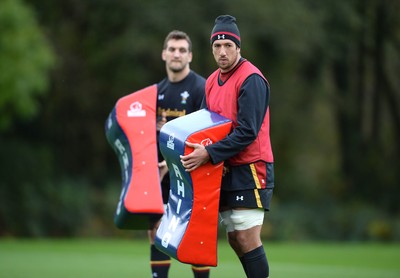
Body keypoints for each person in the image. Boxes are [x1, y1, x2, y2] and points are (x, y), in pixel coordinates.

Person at [180, 15, 274, 278]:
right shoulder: (211, 81)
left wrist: (209, 154)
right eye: (217, 46)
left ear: (238, 47)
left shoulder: (251, 79)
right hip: (226, 168)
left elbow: (247, 132)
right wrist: (175, 157)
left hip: (252, 168)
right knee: (234, 238)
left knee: (246, 236)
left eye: (228, 46)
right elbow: (202, 128)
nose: (222, 52)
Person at [148, 30, 210, 278]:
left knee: (196, 236)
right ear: (164, 54)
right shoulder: (154, 93)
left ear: (190, 56)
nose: (177, 54)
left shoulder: (202, 88)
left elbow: (206, 134)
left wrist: (172, 163)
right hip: (160, 177)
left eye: (182, 50)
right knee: (156, 232)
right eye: (172, 49)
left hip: (192, 174)